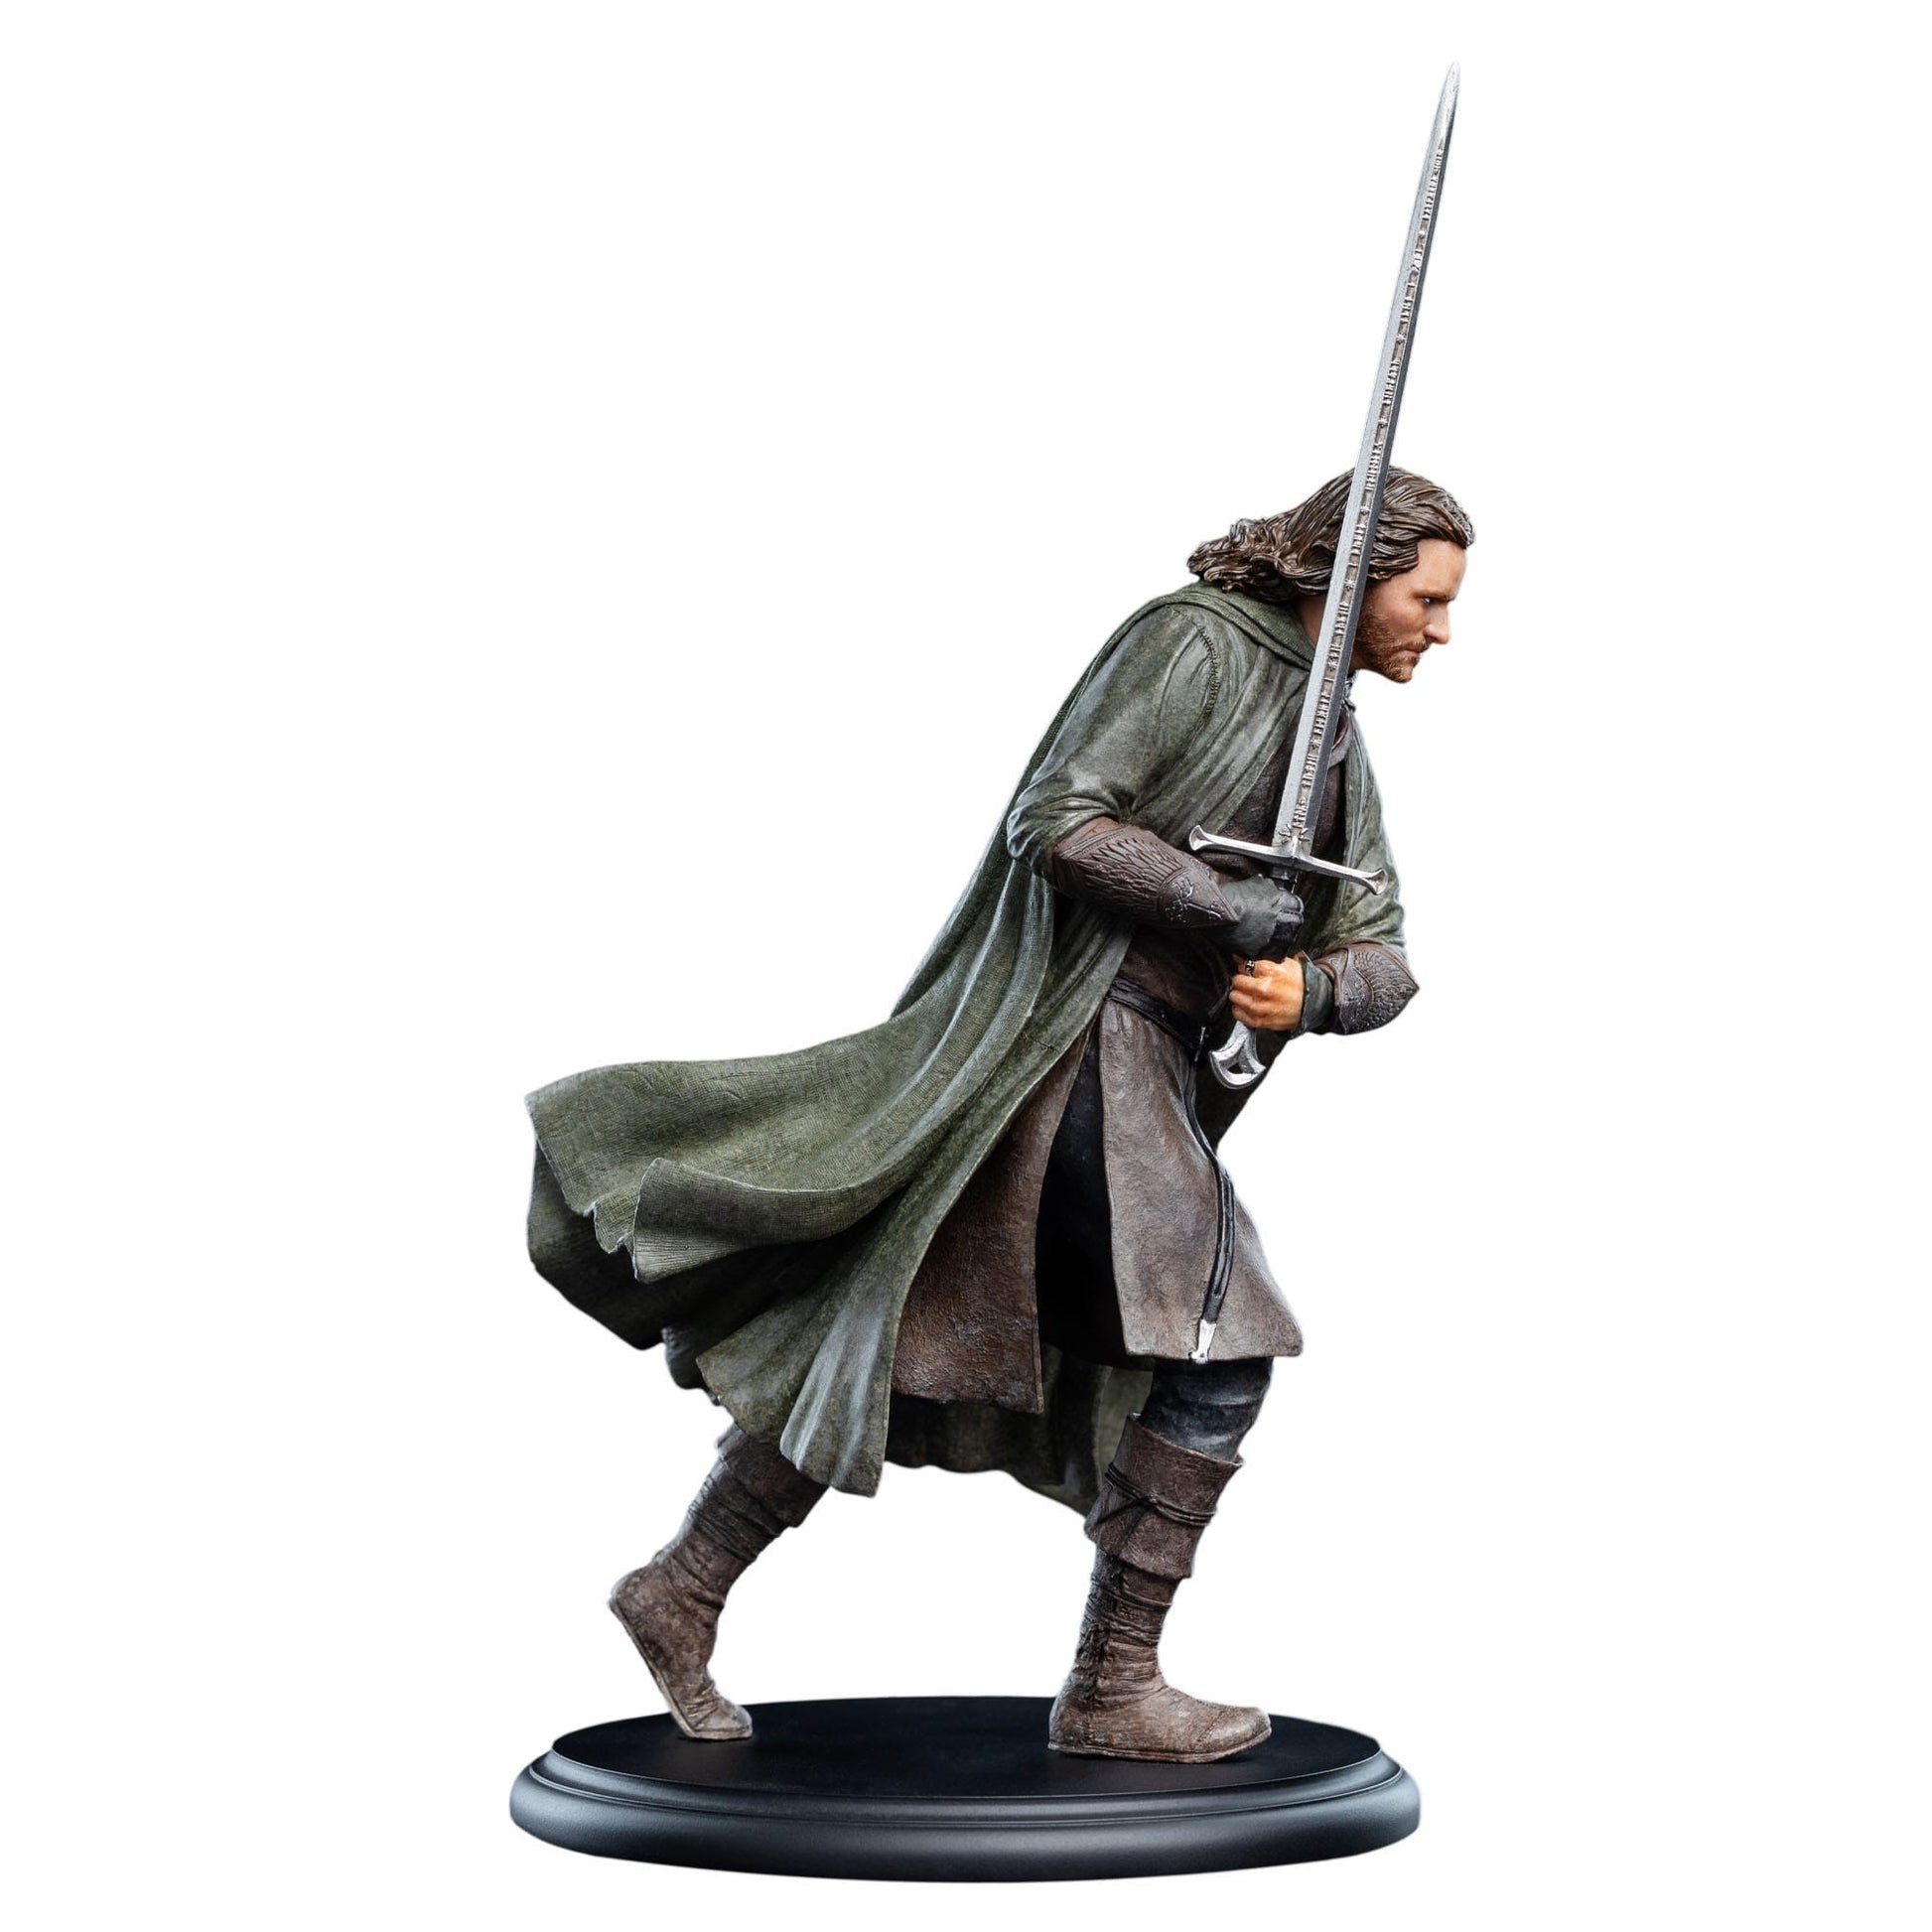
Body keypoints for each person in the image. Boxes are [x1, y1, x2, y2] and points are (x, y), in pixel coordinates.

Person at [526, 468, 1472, 1762]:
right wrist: (1215, 903)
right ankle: (1112, 1684)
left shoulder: (1334, 742)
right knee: (1219, 1342)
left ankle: (683, 1584)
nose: (1440, 629)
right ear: (1349, 575)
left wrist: (1310, 986)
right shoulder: (1191, 645)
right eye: (1424, 600)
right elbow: (1060, 819)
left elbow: (1383, 946)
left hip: (1145, 1067)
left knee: (908, 1329)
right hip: (1077, 1042)